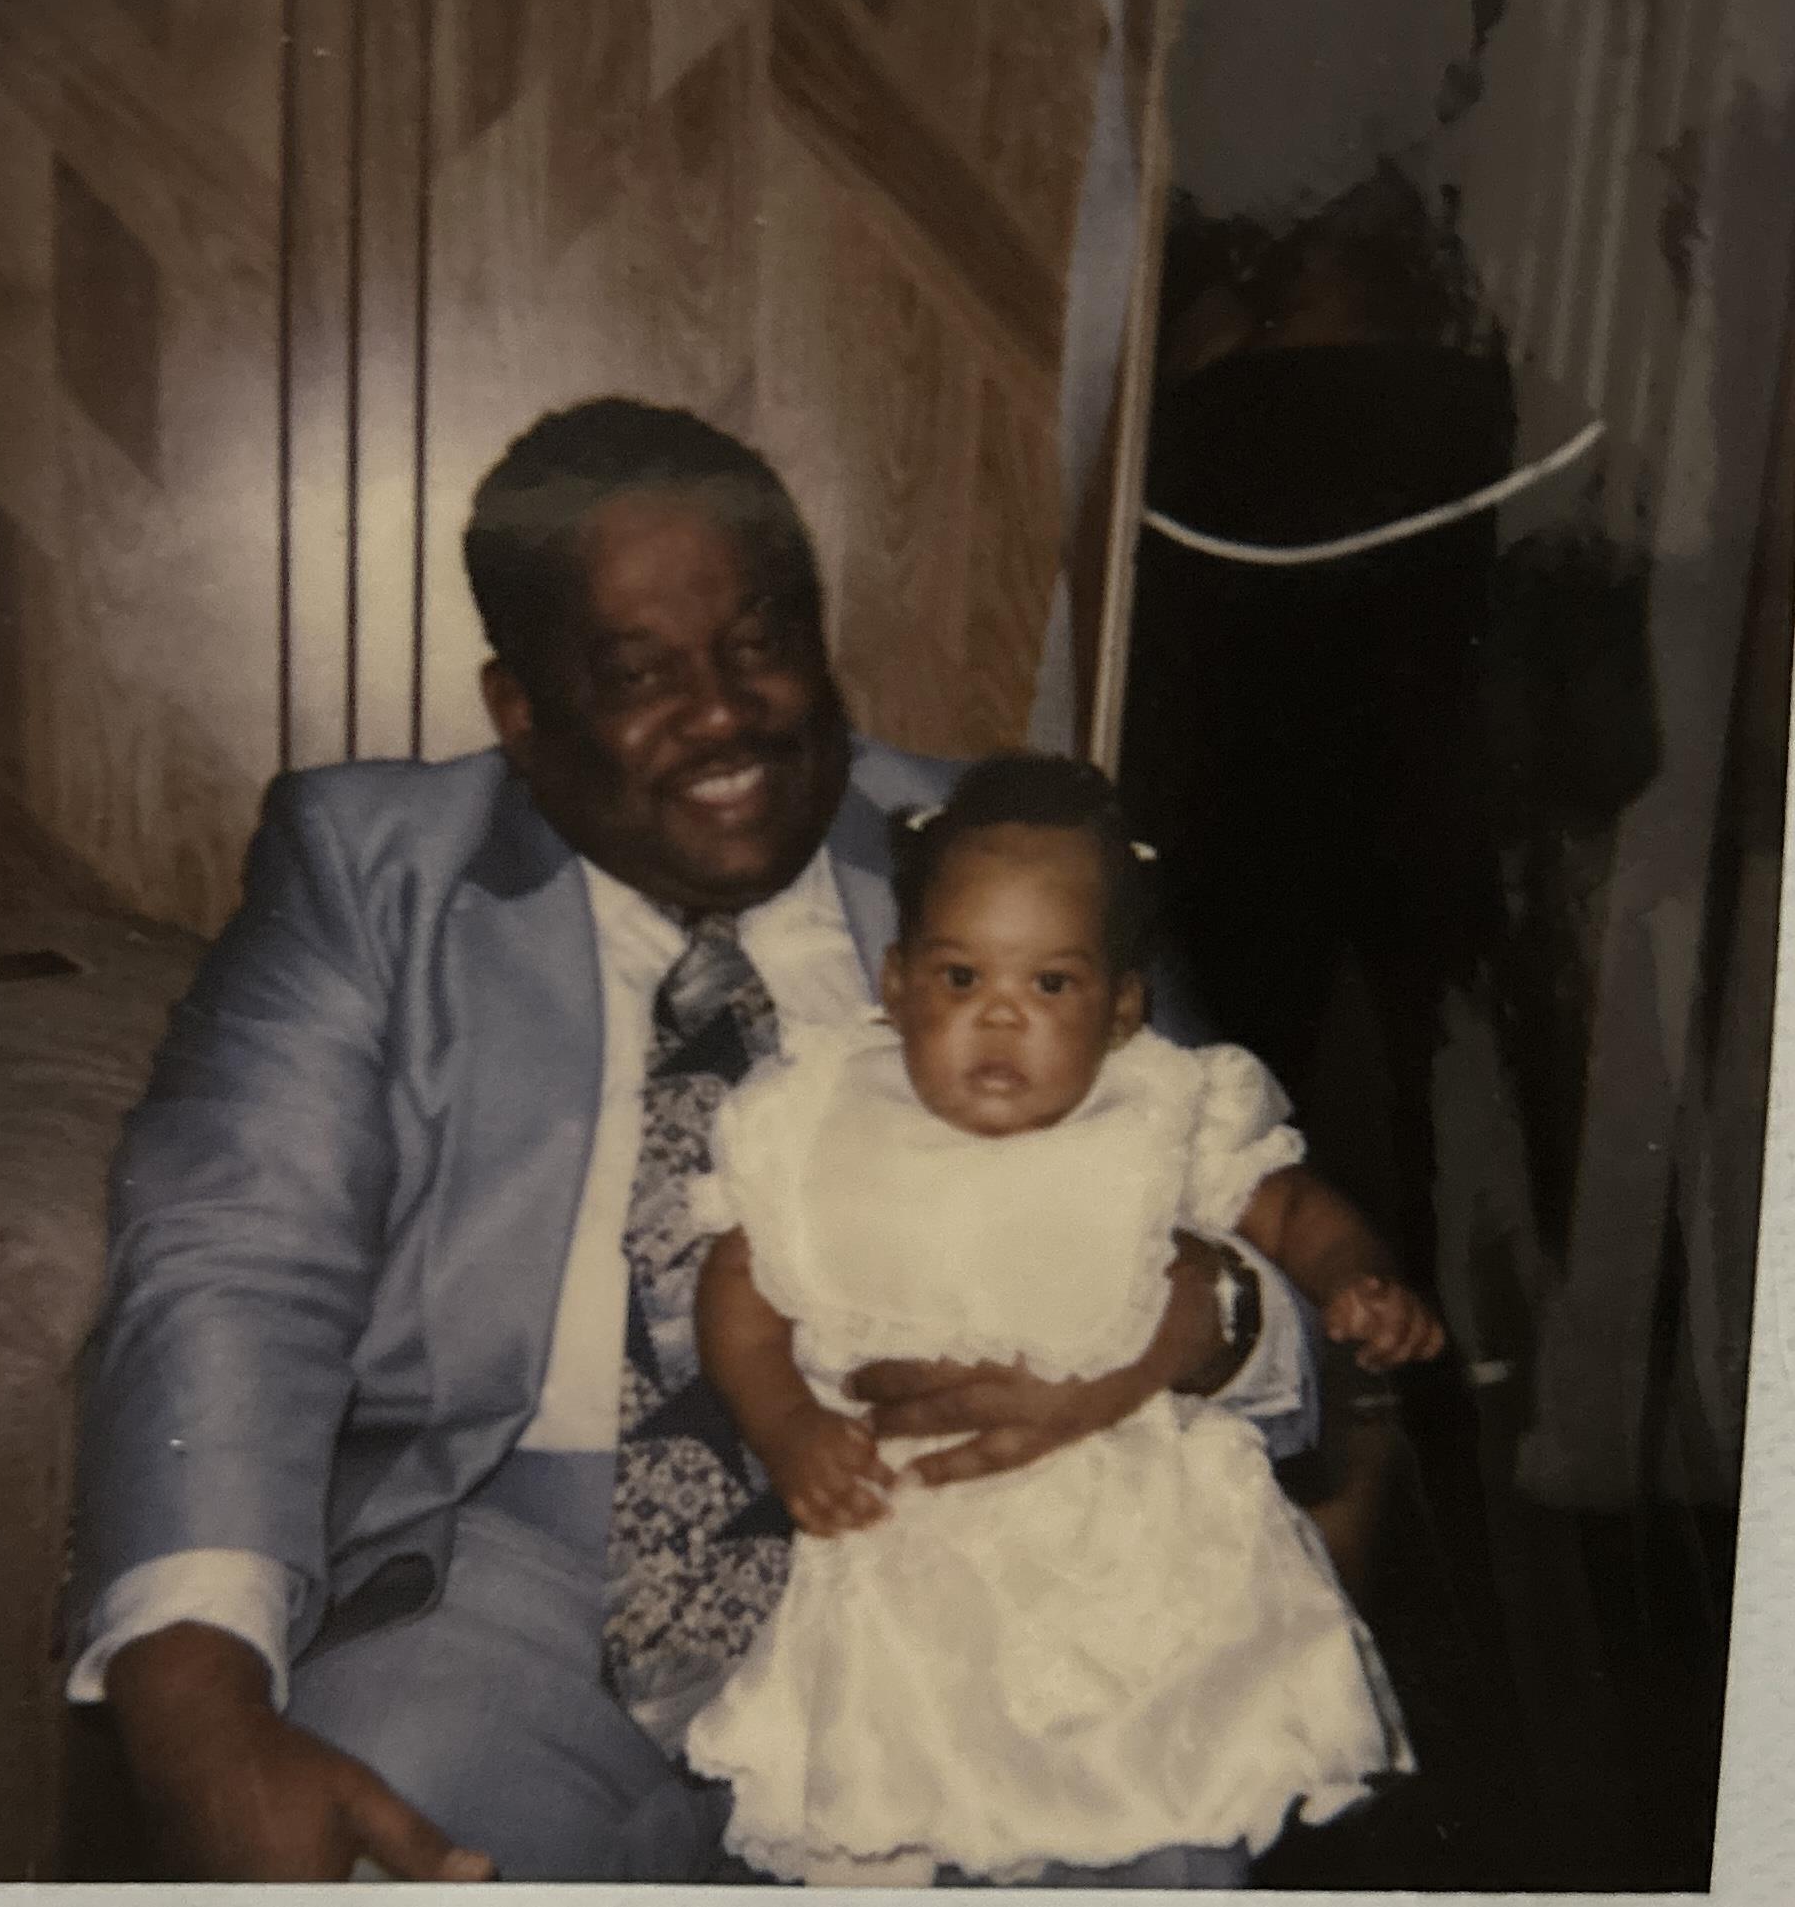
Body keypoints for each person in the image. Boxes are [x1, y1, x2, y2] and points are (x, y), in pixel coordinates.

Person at [67, 398, 1321, 1884]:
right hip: (517, 1568)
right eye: (638, 674)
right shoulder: (371, 869)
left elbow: (1245, 1205)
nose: (724, 711)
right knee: (385, 1824)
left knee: (1153, 1857)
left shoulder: (1010, 870)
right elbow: (234, 1250)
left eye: (759, 642)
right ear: (518, 708)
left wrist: (1216, 1319)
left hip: (981, 1552)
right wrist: (196, 1701)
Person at [687, 754, 1444, 1887]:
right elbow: (737, 1289)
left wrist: (1355, 1276)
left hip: (1145, 1564)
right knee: (890, 1816)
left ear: (1122, 1006)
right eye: (958, 976)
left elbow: (1286, 1206)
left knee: (1171, 1809)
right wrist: (786, 1425)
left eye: (1050, 984)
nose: (1000, 1014)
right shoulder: (823, 1117)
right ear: (892, 983)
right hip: (913, 1559)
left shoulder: (1158, 1107)